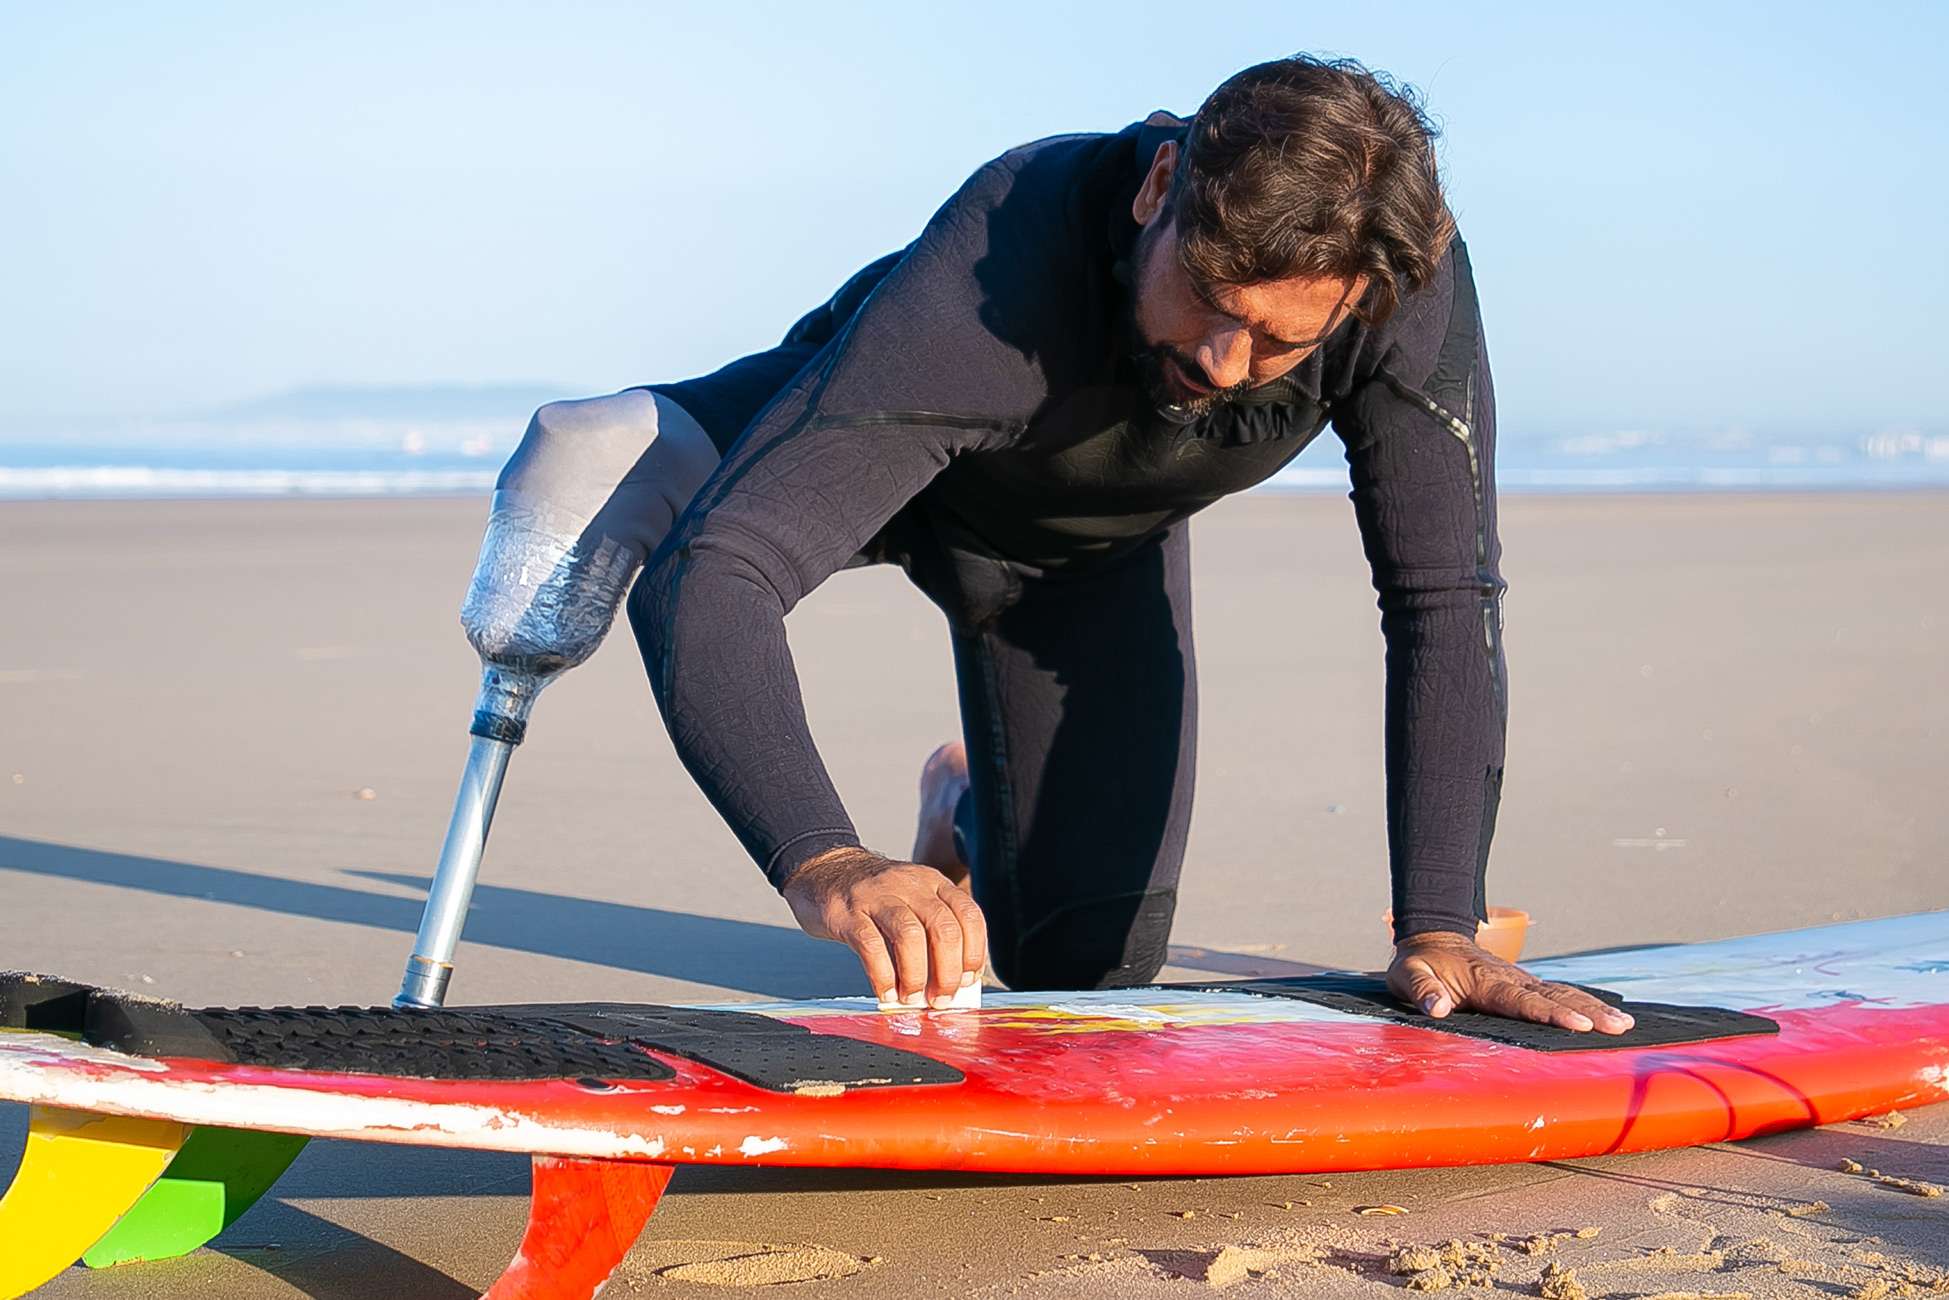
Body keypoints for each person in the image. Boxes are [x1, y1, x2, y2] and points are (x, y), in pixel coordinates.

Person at [485, 55, 1634, 1035]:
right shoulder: (1007, 245)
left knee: (1083, 987)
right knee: (621, 484)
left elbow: (1440, 597)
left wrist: (1438, 918)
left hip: (1070, 555)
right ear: (1158, 185)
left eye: (1278, 341)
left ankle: (959, 811)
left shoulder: (1397, 285)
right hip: (865, 445)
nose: (1225, 364)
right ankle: (641, 434)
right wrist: (826, 862)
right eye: (1209, 297)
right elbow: (713, 576)